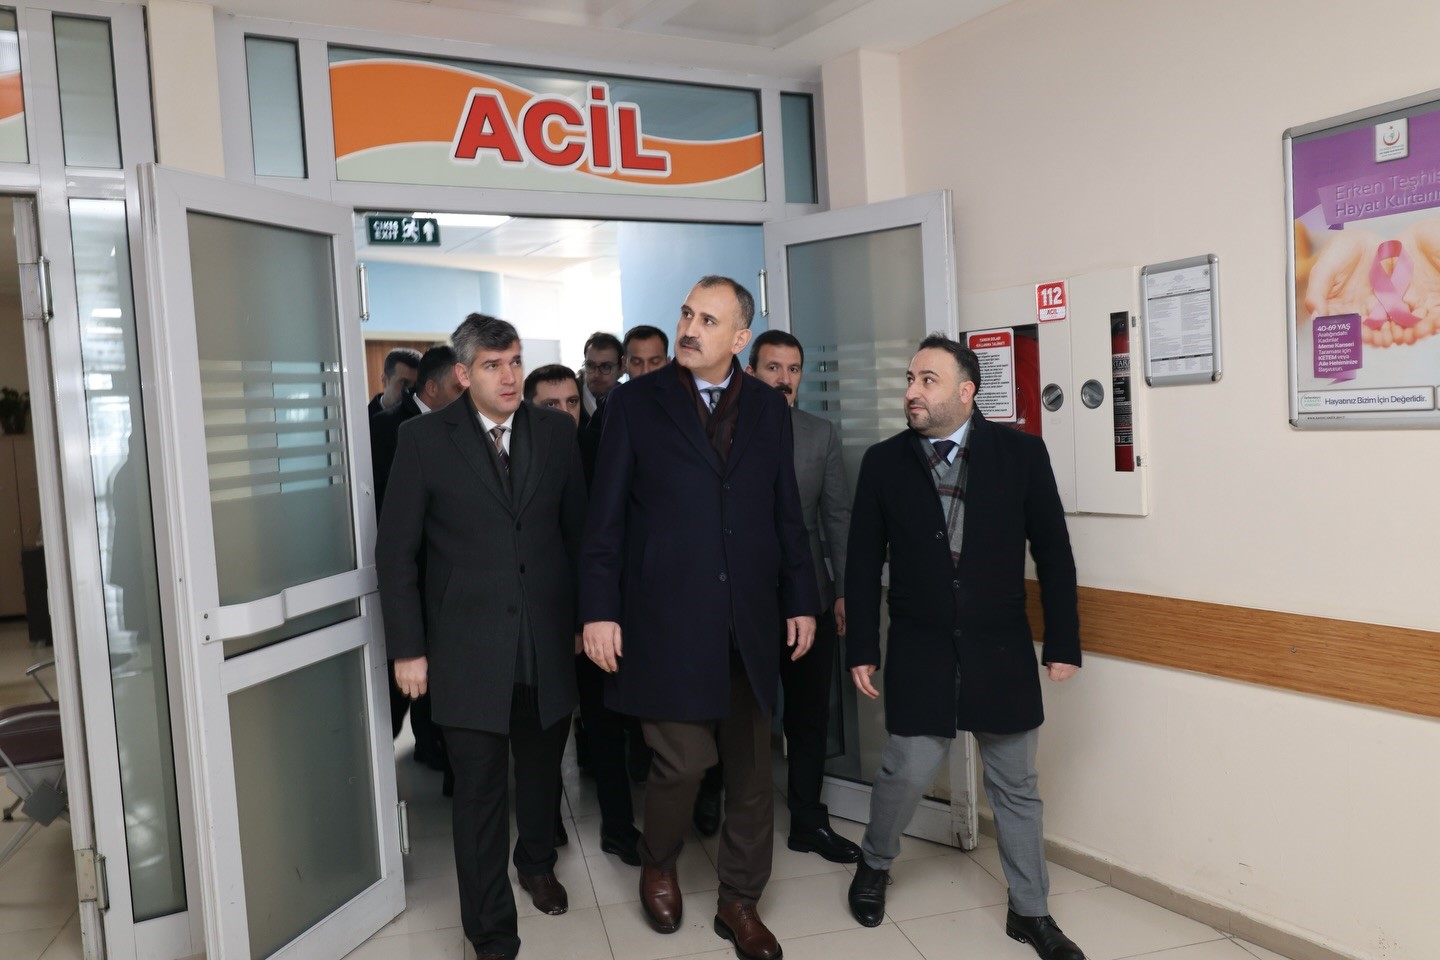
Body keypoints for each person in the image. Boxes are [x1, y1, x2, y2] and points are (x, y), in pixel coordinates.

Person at [580, 276, 819, 960]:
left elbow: (785, 513)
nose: (689, 328)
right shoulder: (636, 403)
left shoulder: (768, 407)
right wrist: (598, 611)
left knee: (751, 772)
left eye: (708, 320)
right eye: (687, 313)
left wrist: (800, 598)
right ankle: (659, 860)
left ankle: (739, 902)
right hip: (664, 619)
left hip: (749, 620)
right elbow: (604, 520)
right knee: (683, 762)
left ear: (740, 338)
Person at [843, 335, 1086, 960]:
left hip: (1000, 649)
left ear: (966, 391)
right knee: (905, 772)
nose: (912, 392)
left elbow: (1053, 551)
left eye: (927, 380)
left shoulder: (1020, 455)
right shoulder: (884, 462)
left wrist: (1063, 640)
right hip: (920, 647)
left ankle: (1030, 910)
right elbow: (862, 562)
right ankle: (874, 864)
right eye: (910, 379)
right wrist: (862, 646)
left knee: (1016, 787)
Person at [377, 314, 586, 960]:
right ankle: (491, 932)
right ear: (465, 374)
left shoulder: (555, 432)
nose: (510, 376)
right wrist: (408, 649)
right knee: (479, 794)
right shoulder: (423, 439)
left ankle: (536, 862)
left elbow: (579, 534)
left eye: (515, 361)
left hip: (546, 642)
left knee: (542, 772)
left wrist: (586, 619)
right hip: (465, 650)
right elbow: (396, 552)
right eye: (494, 365)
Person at [744, 330, 862, 864]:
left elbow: (837, 516)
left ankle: (808, 821)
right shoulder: (723, 431)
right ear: (750, 372)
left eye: (793, 369)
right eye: (773, 367)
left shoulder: (819, 434)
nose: (784, 379)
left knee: (810, 714)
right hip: (744, 602)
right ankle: (728, 814)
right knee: (742, 714)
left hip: (809, 595)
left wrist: (843, 591)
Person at [521, 363, 641, 865]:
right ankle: (545, 824)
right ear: (527, 406)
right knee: (543, 730)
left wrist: (594, 615)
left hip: (599, 614)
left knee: (607, 725)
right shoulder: (514, 456)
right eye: (551, 404)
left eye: (572, 402)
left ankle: (619, 828)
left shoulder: (601, 448)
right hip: (539, 620)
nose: (565, 412)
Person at [371, 344, 463, 783]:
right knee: (400, 684)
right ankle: (373, 770)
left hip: (446, 576)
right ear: (432, 388)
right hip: (411, 573)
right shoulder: (387, 430)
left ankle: (433, 748)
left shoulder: (458, 429)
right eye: (456, 389)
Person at [578, 331, 623, 432]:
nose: (596, 375)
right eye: (590, 365)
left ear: (621, 368)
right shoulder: (566, 401)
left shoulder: (629, 401)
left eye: (606, 367)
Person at [368, 347, 421, 417]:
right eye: (404, 383)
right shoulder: (363, 419)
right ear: (384, 380)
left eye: (417, 385)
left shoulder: (424, 416)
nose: (412, 391)